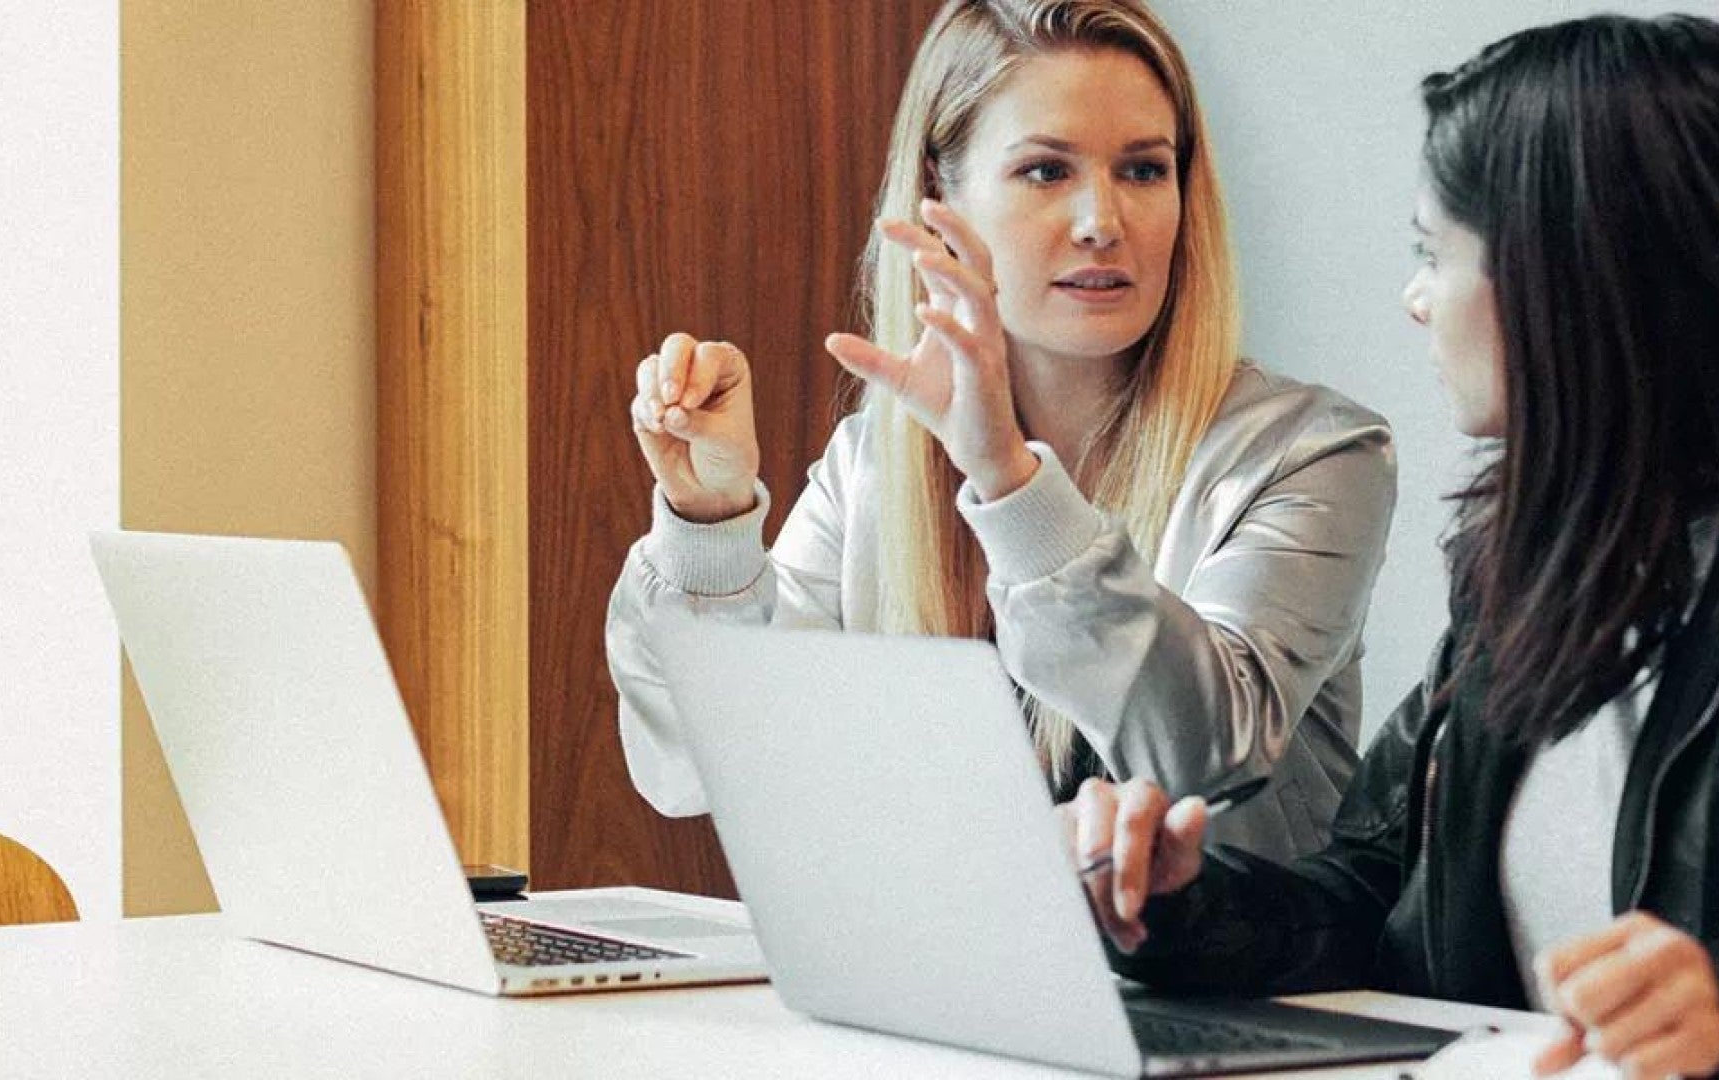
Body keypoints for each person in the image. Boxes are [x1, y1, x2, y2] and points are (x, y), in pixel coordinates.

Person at [1067, 13, 1719, 1080]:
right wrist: (1177, 902)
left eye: (1436, 254)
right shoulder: (1526, 578)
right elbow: (1368, 898)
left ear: (1575, 275)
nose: (1416, 302)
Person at [608, 0, 1398, 863]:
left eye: (1143, 171)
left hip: (1223, 992)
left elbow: (1204, 759)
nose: (1102, 221)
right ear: (939, 201)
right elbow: (698, 770)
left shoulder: (1313, 452)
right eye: (1046, 172)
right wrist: (711, 524)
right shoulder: (872, 466)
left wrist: (1009, 482)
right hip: (955, 980)